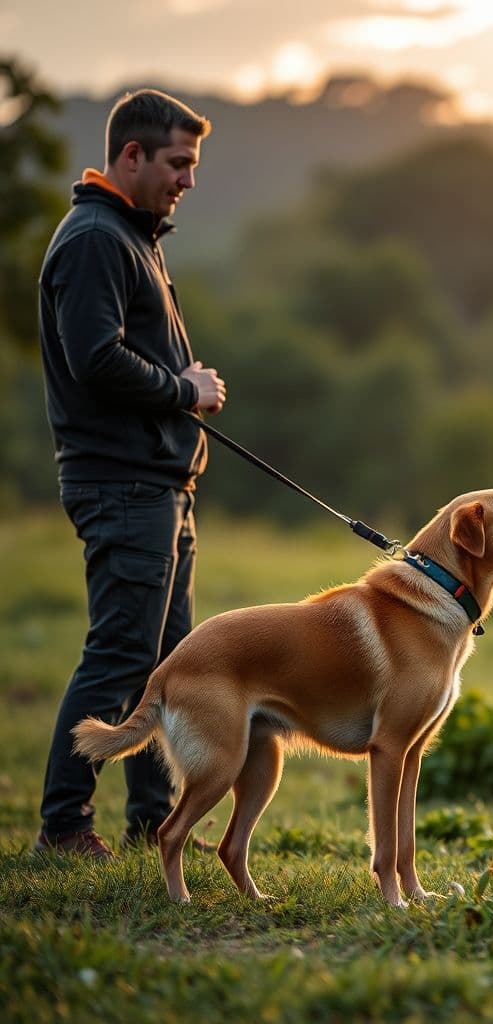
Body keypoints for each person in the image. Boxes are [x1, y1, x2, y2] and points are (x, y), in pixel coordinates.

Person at [34, 89, 227, 859]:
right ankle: (63, 827)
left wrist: (182, 393)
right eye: (178, 162)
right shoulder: (95, 239)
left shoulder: (132, 235)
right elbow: (95, 358)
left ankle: (153, 823)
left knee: (168, 666)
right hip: (122, 486)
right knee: (119, 656)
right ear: (132, 155)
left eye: (193, 164)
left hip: (159, 484)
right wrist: (185, 389)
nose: (188, 179)